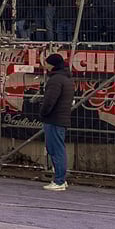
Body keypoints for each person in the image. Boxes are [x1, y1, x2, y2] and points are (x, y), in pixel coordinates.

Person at [40, 53, 74, 191]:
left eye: (47, 63)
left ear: (52, 64)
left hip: (54, 118)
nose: (45, 65)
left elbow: (49, 101)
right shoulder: (66, 79)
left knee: (55, 150)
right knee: (58, 148)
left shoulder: (55, 80)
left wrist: (43, 112)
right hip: (61, 118)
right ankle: (60, 179)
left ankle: (59, 180)